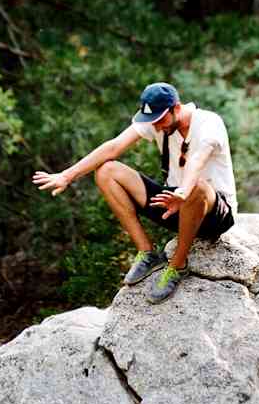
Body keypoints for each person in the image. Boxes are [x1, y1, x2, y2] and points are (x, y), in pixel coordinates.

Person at [32, 82, 237, 302]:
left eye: (160, 120)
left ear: (176, 108)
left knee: (197, 186)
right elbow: (114, 146)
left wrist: (183, 192)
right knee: (106, 171)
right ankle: (148, 253)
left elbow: (197, 160)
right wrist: (67, 176)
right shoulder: (159, 120)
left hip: (213, 213)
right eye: (152, 122)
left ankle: (177, 266)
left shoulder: (209, 122)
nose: (156, 127)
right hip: (173, 206)